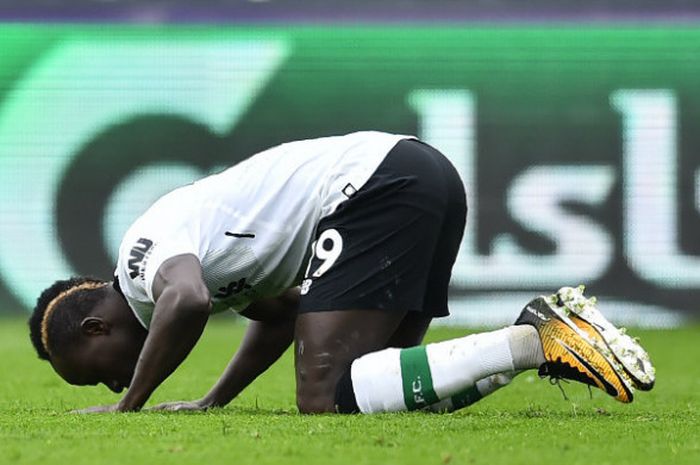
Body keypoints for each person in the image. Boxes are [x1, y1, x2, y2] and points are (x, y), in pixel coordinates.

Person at [28, 132, 655, 414]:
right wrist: (213, 400)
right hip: (419, 174)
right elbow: (279, 316)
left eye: (100, 378)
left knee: (323, 397)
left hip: (377, 187)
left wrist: (131, 406)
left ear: (94, 329)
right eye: (113, 389)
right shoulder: (176, 266)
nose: (114, 385)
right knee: (381, 393)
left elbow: (187, 302)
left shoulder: (142, 262)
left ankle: (536, 337)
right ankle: (542, 342)